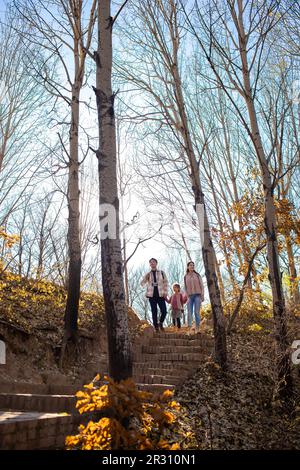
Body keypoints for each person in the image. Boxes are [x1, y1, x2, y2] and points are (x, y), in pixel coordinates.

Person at [140, 258, 168, 331]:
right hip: (152, 296)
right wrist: (145, 278)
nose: (152, 263)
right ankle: (156, 327)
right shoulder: (148, 274)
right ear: (150, 264)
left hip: (161, 295)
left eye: (153, 262)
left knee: (164, 311)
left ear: (156, 263)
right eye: (151, 262)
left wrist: (165, 293)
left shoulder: (162, 272)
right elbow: (142, 283)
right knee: (154, 311)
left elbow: (166, 283)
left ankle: (160, 322)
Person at [184, 261, 204, 333]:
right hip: (190, 297)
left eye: (193, 265)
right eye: (190, 265)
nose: (192, 266)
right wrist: (187, 296)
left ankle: (197, 328)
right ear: (188, 267)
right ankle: (189, 329)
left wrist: (202, 295)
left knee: (196, 312)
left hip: (197, 295)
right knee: (189, 312)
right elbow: (185, 287)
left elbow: (202, 285)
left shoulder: (197, 275)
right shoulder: (185, 276)